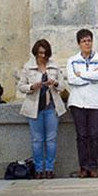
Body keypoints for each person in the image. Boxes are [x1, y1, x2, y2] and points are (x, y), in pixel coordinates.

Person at [17, 39, 67, 179]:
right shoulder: (28, 67)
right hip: (34, 107)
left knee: (51, 139)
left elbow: (62, 86)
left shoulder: (54, 67)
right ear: (35, 53)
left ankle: (50, 168)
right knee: (37, 140)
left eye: (45, 53)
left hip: (51, 106)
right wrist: (32, 86)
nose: (42, 56)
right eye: (40, 53)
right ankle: (39, 169)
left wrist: (55, 82)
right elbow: (21, 86)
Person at [66, 28, 98, 178]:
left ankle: (93, 166)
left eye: (89, 40)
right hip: (78, 102)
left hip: (95, 102)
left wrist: (81, 74)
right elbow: (71, 79)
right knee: (81, 135)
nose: (87, 43)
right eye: (84, 41)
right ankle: (83, 167)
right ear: (79, 43)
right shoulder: (72, 60)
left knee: (94, 135)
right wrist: (91, 76)